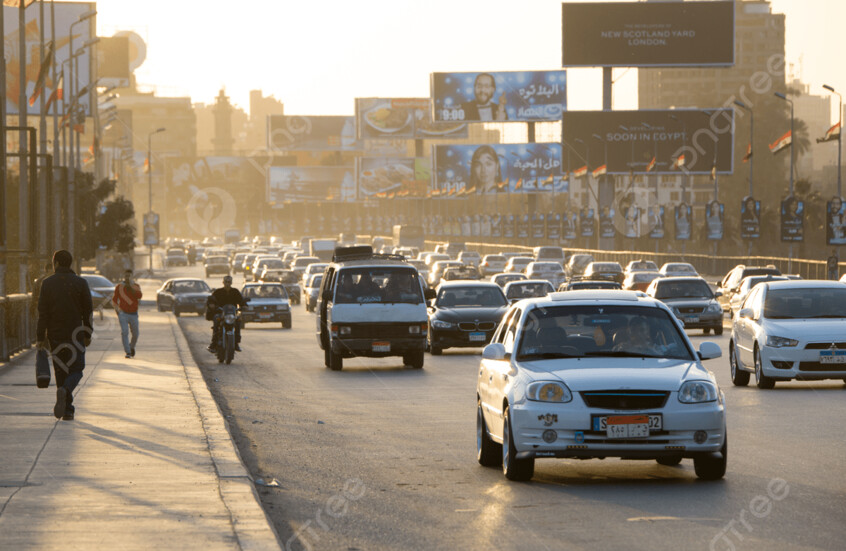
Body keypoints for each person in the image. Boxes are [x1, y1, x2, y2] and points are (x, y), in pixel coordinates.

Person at [35, 250, 93, 421]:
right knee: (76, 369)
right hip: (76, 334)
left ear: (57, 264)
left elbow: (42, 313)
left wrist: (40, 337)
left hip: (55, 335)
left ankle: (67, 408)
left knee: (61, 371)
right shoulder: (81, 283)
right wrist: (88, 332)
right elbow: (88, 311)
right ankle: (66, 396)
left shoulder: (47, 283)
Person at [207, 275, 245, 352]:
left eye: (229, 282)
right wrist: (212, 304)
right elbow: (211, 299)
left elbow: (241, 300)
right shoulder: (218, 292)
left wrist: (244, 305)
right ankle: (213, 344)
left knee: (238, 321)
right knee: (216, 321)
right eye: (226, 282)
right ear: (223, 282)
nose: (227, 284)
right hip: (221, 313)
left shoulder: (235, 291)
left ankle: (236, 343)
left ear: (231, 283)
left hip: (231, 314)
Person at [112, 269, 143, 359]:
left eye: (129, 276)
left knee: (136, 334)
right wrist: (117, 311)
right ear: (123, 276)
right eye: (126, 276)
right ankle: (128, 351)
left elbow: (139, 296)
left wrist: (131, 288)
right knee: (124, 332)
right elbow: (114, 300)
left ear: (132, 276)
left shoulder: (136, 286)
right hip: (123, 314)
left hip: (134, 313)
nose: (127, 277)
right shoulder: (119, 286)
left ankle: (131, 347)